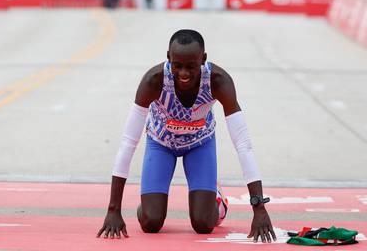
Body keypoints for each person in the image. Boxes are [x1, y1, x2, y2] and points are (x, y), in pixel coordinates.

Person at [96, 29, 276, 243]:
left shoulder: (219, 81)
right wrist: (114, 209)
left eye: (191, 66)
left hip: (200, 144)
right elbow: (128, 143)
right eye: (177, 65)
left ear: (204, 59)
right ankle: (151, 198)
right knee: (151, 223)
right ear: (168, 58)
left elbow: (243, 145)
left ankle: (216, 199)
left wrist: (259, 208)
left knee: (203, 225)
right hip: (161, 143)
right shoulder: (153, 81)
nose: (183, 73)